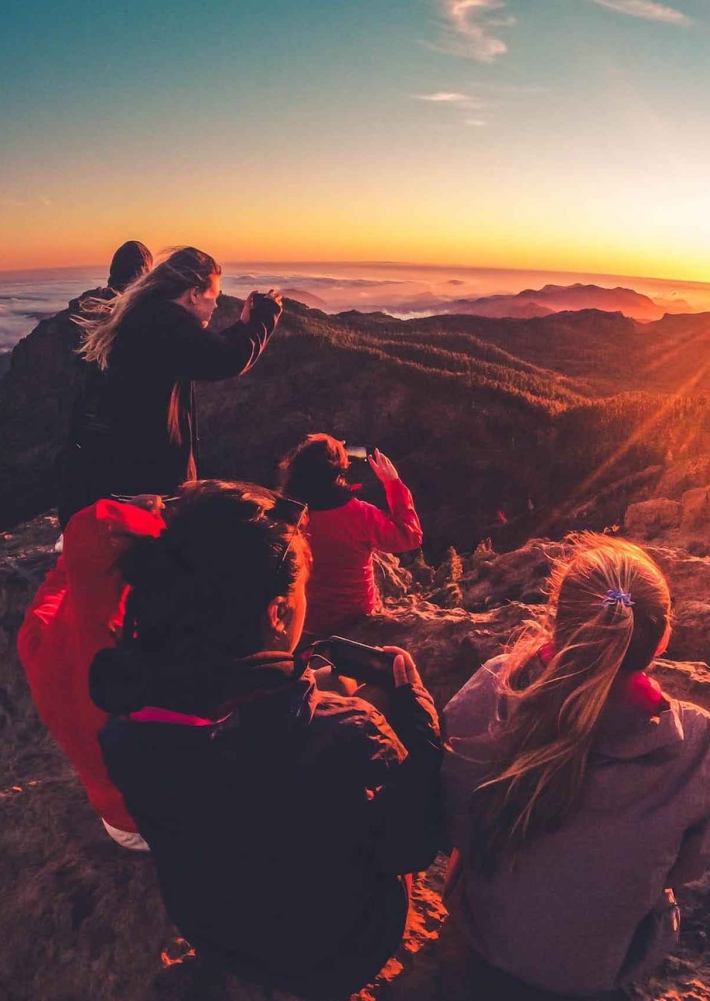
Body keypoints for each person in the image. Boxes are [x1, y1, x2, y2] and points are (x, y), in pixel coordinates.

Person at [89, 480, 443, 999]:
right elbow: (411, 846)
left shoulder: (127, 729)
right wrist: (417, 716)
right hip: (335, 957)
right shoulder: (347, 732)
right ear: (277, 613)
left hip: (215, 935)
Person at [439, 533, 710, 997]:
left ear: (556, 621)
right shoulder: (692, 740)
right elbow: (686, 868)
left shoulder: (496, 685)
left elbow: (451, 809)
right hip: (591, 972)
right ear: (662, 639)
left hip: (480, 935)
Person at [59, 247, 284, 527]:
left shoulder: (150, 318)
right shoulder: (164, 325)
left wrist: (242, 326)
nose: (216, 306)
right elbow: (225, 359)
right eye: (213, 296)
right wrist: (266, 316)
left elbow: (204, 351)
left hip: (120, 469)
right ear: (193, 293)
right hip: (141, 477)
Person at [18, 495, 168, 850]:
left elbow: (56, 589)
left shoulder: (36, 640)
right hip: (166, 820)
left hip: (116, 822)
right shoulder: (147, 655)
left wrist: (75, 557)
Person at [277, 435, 423, 635]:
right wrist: (393, 483)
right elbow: (410, 536)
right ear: (339, 470)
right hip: (354, 619)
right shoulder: (360, 515)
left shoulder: (286, 513)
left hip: (304, 620)